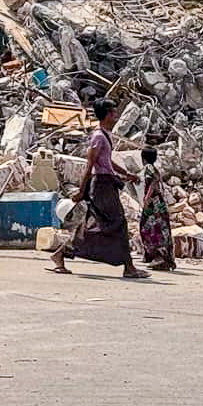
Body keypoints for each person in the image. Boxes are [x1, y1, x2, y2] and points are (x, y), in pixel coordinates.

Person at [51, 100, 146, 279]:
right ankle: (128, 267)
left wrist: (127, 174)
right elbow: (90, 165)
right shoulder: (98, 137)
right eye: (113, 113)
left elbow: (108, 162)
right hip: (101, 186)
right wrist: (81, 190)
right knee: (117, 223)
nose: (116, 116)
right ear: (107, 114)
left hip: (106, 184)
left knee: (102, 226)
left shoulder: (105, 135)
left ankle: (62, 253)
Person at [137, 146, 174, 270]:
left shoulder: (148, 168)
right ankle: (156, 256)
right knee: (160, 228)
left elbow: (152, 183)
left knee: (149, 228)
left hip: (154, 204)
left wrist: (147, 198)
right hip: (159, 203)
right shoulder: (155, 169)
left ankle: (158, 256)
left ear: (143, 158)